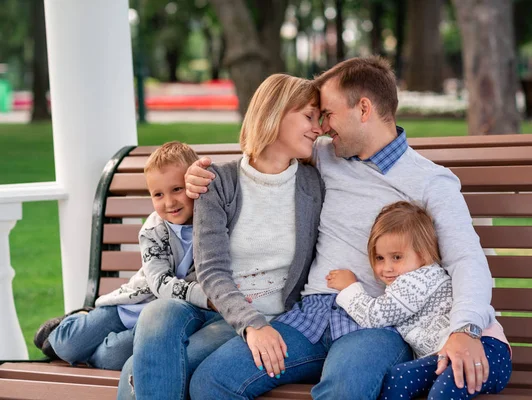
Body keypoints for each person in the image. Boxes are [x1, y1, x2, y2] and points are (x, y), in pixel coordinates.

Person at [185, 56, 506, 399]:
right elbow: (269, 148)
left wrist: (466, 329)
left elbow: (466, 259)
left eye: (329, 114)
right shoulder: (324, 155)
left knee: (343, 390)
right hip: (309, 318)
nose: (322, 127)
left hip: (374, 324)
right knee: (213, 380)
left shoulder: (430, 181)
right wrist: (197, 177)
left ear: (364, 109)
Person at [116, 74, 324, 399]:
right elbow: (211, 271)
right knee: (158, 313)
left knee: (137, 371)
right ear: (275, 113)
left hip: (269, 315)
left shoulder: (313, 184)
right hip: (215, 307)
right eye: (309, 116)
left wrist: (256, 323)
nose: (318, 127)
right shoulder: (218, 182)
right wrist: (249, 322)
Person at [33, 141, 208, 370]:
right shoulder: (153, 230)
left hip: (161, 320)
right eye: (158, 194)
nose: (169, 202)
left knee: (110, 358)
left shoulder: (210, 225)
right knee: (67, 346)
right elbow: (159, 283)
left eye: (177, 189)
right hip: (131, 305)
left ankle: (91, 348)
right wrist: (205, 297)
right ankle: (71, 324)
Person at [327, 201, 512, 399]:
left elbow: (374, 316)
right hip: (443, 359)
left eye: (396, 257)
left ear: (422, 255)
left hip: (484, 351)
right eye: (380, 258)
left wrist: (349, 288)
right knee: (397, 379)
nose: (386, 267)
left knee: (443, 392)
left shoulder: (418, 280)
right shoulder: (401, 284)